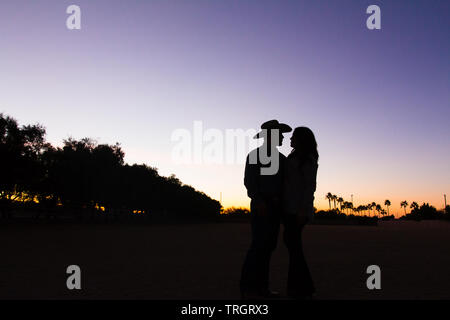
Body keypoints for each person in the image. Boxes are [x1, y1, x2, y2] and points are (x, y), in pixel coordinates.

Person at [240, 119, 292, 299]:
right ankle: (248, 287)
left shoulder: (282, 160)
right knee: (258, 246)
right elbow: (249, 182)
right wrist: (259, 200)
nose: (283, 138)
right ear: (271, 136)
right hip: (261, 206)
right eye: (280, 135)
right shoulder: (254, 155)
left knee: (268, 247)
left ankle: (262, 287)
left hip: (275, 208)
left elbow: (286, 185)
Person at [282, 126, 318, 299]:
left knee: (293, 246)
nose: (290, 140)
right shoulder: (294, 157)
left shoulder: (308, 159)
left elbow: (309, 187)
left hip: (298, 210)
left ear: (301, 139)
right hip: (290, 208)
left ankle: (302, 288)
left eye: (293, 137)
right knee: (293, 247)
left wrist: (303, 211)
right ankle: (300, 287)